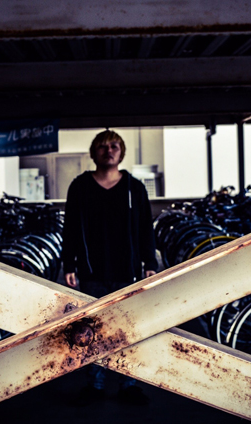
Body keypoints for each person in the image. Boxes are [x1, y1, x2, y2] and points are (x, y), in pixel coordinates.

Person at [61, 129, 158, 405]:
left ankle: (129, 384)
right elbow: (70, 228)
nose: (109, 150)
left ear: (122, 152)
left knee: (127, 329)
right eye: (103, 146)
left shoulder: (134, 188)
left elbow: (145, 228)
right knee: (91, 331)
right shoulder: (80, 187)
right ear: (94, 153)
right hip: (91, 271)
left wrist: (149, 263)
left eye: (114, 146)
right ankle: (95, 384)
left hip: (128, 271)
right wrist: (69, 264)